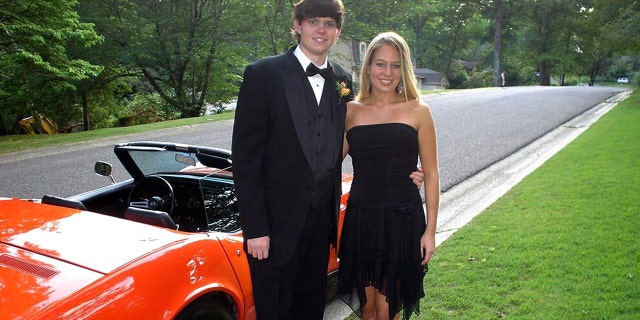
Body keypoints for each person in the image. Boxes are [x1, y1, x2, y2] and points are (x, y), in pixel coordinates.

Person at [337, 32, 440, 320]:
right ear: (368, 67)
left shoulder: (418, 111)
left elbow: (431, 173)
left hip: (401, 221)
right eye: (380, 64)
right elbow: (327, 163)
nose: (387, 73)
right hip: (362, 220)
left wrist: (430, 231)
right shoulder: (349, 111)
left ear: (404, 69)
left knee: (386, 309)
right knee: (368, 310)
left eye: (395, 65)